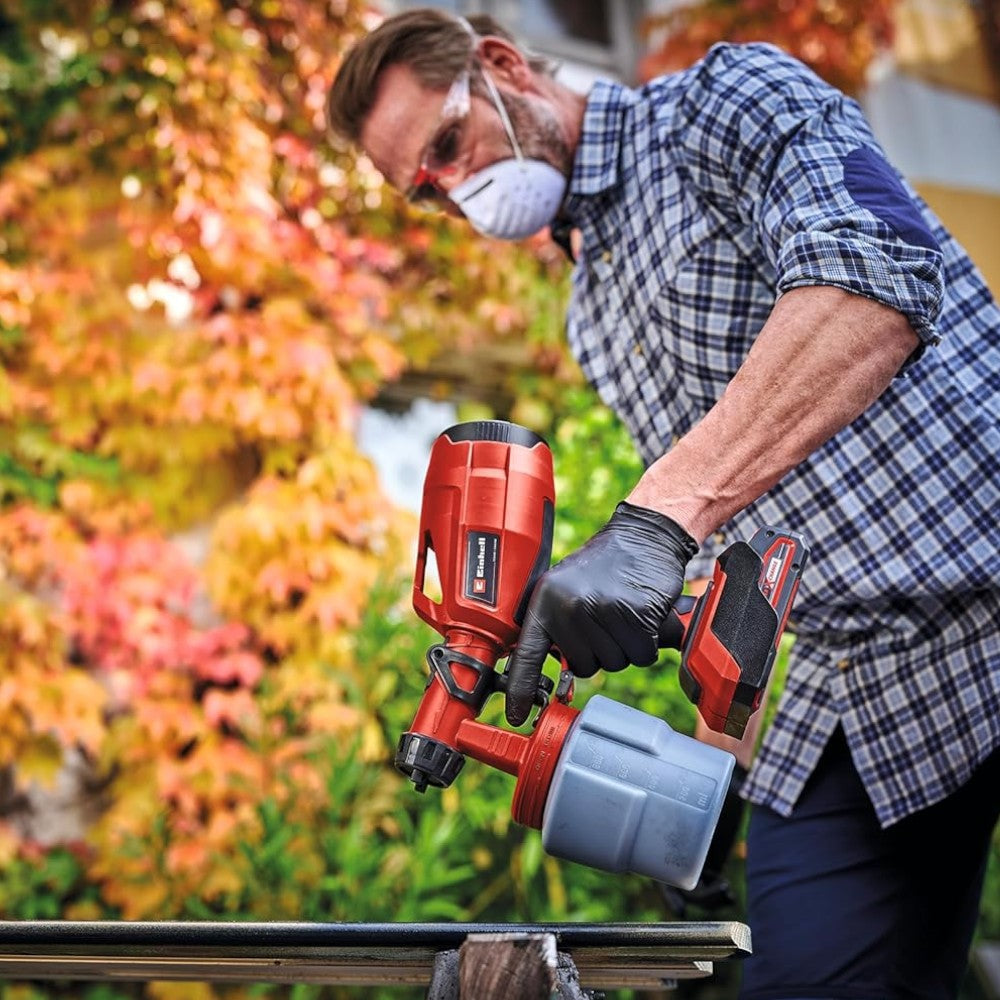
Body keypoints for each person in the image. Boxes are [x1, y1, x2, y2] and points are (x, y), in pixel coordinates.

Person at [327, 9, 1000, 998]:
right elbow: (729, 542)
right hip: (849, 686)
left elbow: (871, 271)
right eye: (424, 190)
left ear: (505, 66)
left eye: (446, 146)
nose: (453, 190)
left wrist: (648, 523)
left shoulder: (721, 104)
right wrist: (709, 783)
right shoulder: (589, 311)